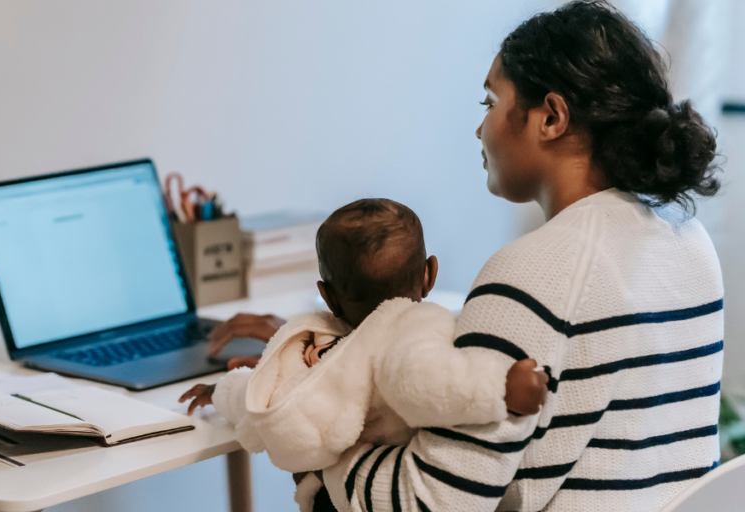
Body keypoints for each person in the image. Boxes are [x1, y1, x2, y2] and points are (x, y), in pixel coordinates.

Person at [203, 2, 724, 510]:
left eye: (490, 103)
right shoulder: (686, 239)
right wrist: (346, 353)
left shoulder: (534, 271)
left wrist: (309, 423)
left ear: (550, 117)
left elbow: (427, 501)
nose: (480, 130)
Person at [182, 198, 548, 511]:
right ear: (429, 274)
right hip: (375, 490)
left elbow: (264, 398)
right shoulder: (412, 328)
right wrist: (501, 387)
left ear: (327, 295)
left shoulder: (318, 349)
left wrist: (221, 390)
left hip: (330, 495)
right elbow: (429, 382)